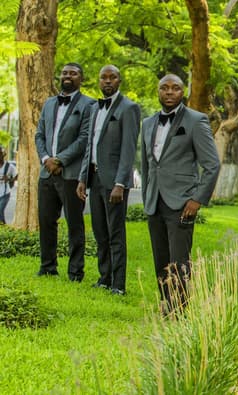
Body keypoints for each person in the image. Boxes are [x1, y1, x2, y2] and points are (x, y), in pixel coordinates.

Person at [140, 74, 220, 312]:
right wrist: (146, 197)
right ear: (158, 91)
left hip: (183, 201)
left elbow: (212, 164)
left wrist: (197, 199)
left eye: (175, 88)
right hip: (155, 200)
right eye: (164, 88)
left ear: (182, 92)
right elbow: (148, 166)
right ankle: (166, 302)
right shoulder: (147, 123)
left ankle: (181, 307)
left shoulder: (196, 121)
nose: (169, 92)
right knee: (160, 257)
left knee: (179, 260)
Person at [77, 65, 141, 296]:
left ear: (119, 81)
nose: (107, 81)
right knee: (99, 232)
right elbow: (89, 147)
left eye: (112, 77)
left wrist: (120, 184)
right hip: (94, 179)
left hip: (114, 183)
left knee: (115, 233)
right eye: (103, 77)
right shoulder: (94, 108)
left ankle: (118, 284)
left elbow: (128, 149)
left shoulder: (129, 108)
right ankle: (104, 277)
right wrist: (82, 178)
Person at [34, 63, 95, 280]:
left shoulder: (89, 105)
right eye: (65, 72)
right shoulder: (49, 103)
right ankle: (47, 266)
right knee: (46, 221)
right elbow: (39, 134)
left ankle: (75, 271)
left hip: (71, 175)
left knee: (75, 224)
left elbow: (84, 138)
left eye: (74, 73)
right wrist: (46, 159)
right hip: (46, 173)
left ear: (81, 78)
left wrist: (60, 160)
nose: (68, 76)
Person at [0, 147, 17, 225]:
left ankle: (3, 225)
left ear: (3, 155)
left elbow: (17, 176)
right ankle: (3, 226)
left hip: (5, 193)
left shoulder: (9, 166)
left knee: (0, 210)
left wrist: (9, 179)